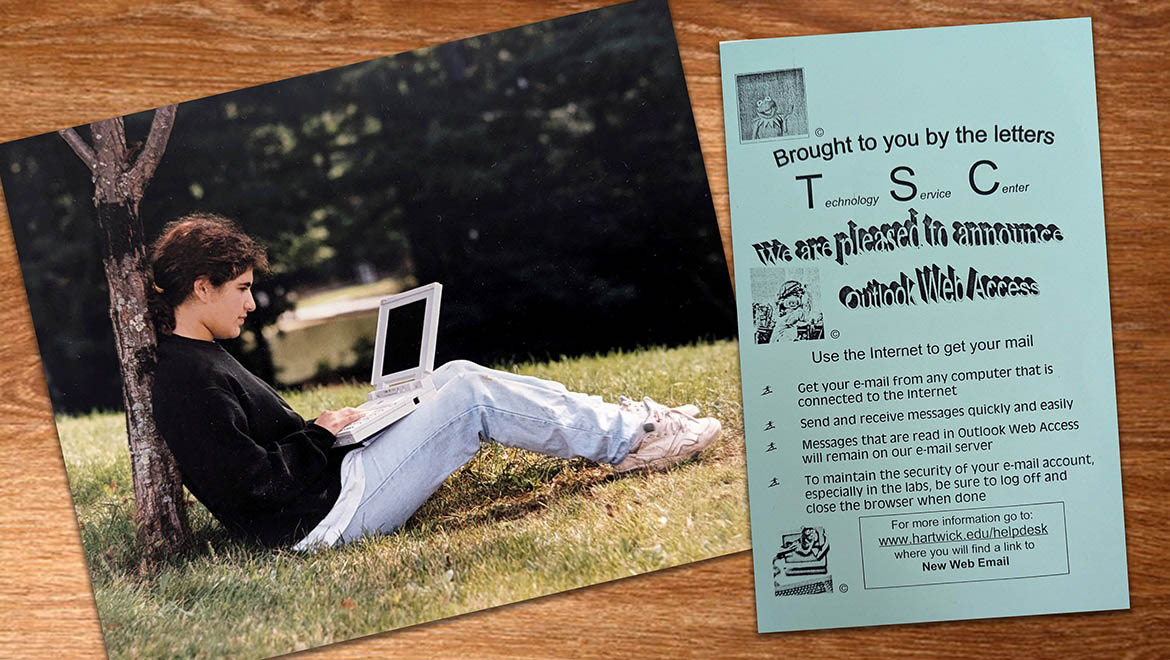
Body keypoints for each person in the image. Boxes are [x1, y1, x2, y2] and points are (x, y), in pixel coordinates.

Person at [147, 213, 723, 550]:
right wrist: (321, 436)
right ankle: (634, 441)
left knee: (458, 374)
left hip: (333, 484)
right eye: (242, 288)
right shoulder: (186, 378)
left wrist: (346, 429)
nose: (252, 302)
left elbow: (269, 453)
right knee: (470, 400)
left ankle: (626, 424)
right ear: (202, 287)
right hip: (320, 519)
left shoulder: (202, 356)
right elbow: (254, 486)